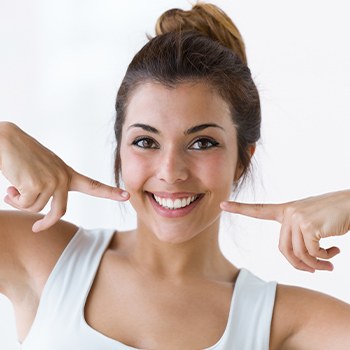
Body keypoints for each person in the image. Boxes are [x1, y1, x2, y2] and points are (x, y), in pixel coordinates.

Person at [0, 3, 349, 349]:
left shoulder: (282, 321)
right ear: (119, 148)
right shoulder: (43, 256)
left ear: (243, 158)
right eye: (145, 141)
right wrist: (3, 137)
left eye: (201, 143)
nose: (170, 172)